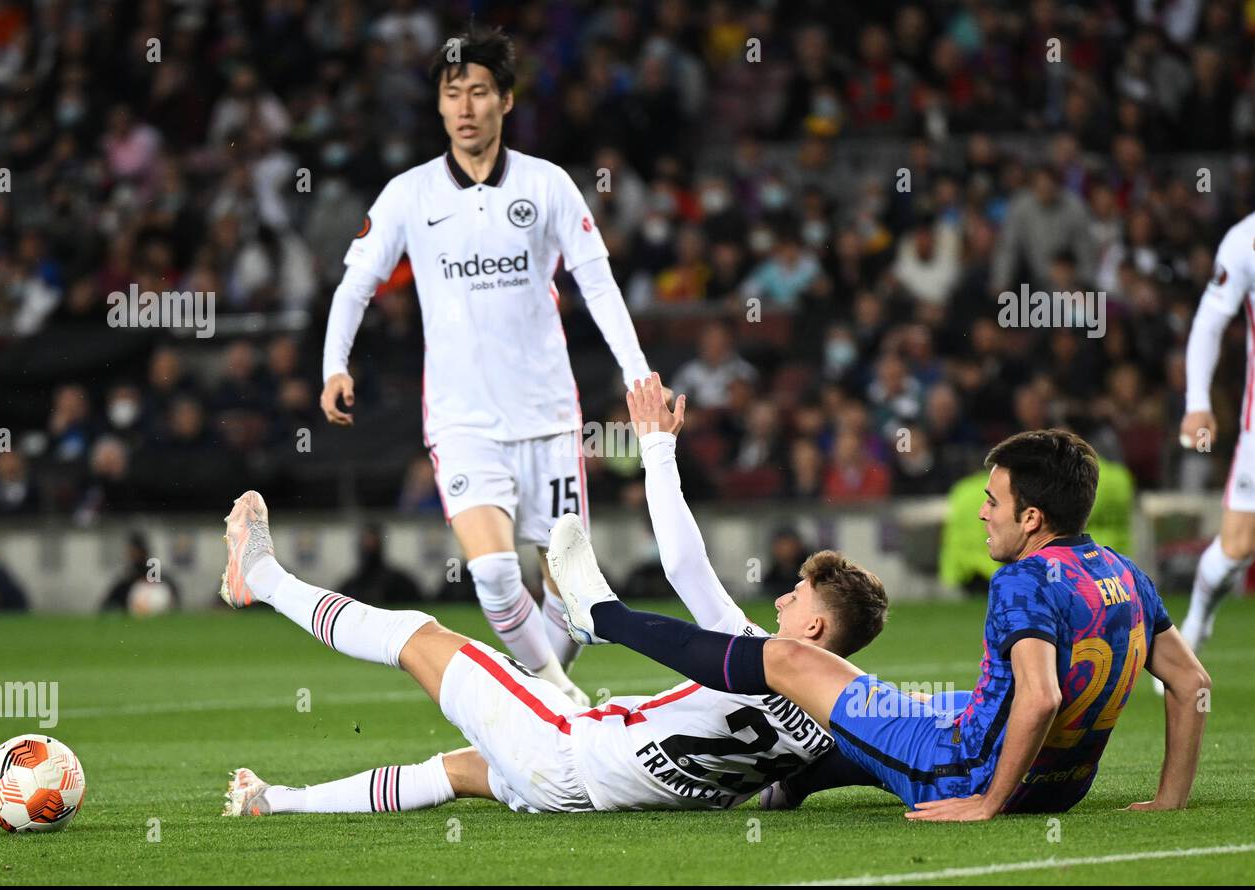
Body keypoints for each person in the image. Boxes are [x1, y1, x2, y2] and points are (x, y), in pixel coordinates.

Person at [551, 430, 1211, 820]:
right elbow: (1191, 681)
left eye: (993, 499)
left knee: (788, 661)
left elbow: (1040, 696)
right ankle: (797, 780)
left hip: (969, 775)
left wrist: (986, 804)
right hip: (1063, 786)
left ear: (1032, 517)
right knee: (914, 706)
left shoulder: (1022, 579)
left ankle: (603, 616)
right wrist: (1169, 800)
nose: (982, 512)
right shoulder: (1125, 571)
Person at [318, 24, 657, 706]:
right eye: (453, 93)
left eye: (479, 91)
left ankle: (548, 698)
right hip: (463, 421)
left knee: (574, 601)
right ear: (439, 107)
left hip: (549, 420)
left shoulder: (548, 184)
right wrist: (334, 365)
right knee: (496, 577)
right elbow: (355, 283)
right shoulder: (410, 195)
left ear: (506, 99)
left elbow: (596, 281)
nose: (466, 106)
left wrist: (638, 373)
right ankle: (561, 700)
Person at [218, 478, 889, 817]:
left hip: (568, 748)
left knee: (418, 637)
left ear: (816, 631)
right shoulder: (827, 727)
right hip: (596, 792)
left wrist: (656, 447)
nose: (780, 601)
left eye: (797, 596)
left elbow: (687, 568)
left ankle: (263, 577)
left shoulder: (757, 652)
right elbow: (807, 778)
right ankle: (274, 800)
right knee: (454, 770)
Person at [1175, 211, 1255, 692]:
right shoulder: (1245, 240)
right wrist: (1198, 403)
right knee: (1238, 546)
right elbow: (1210, 320)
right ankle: (1198, 619)